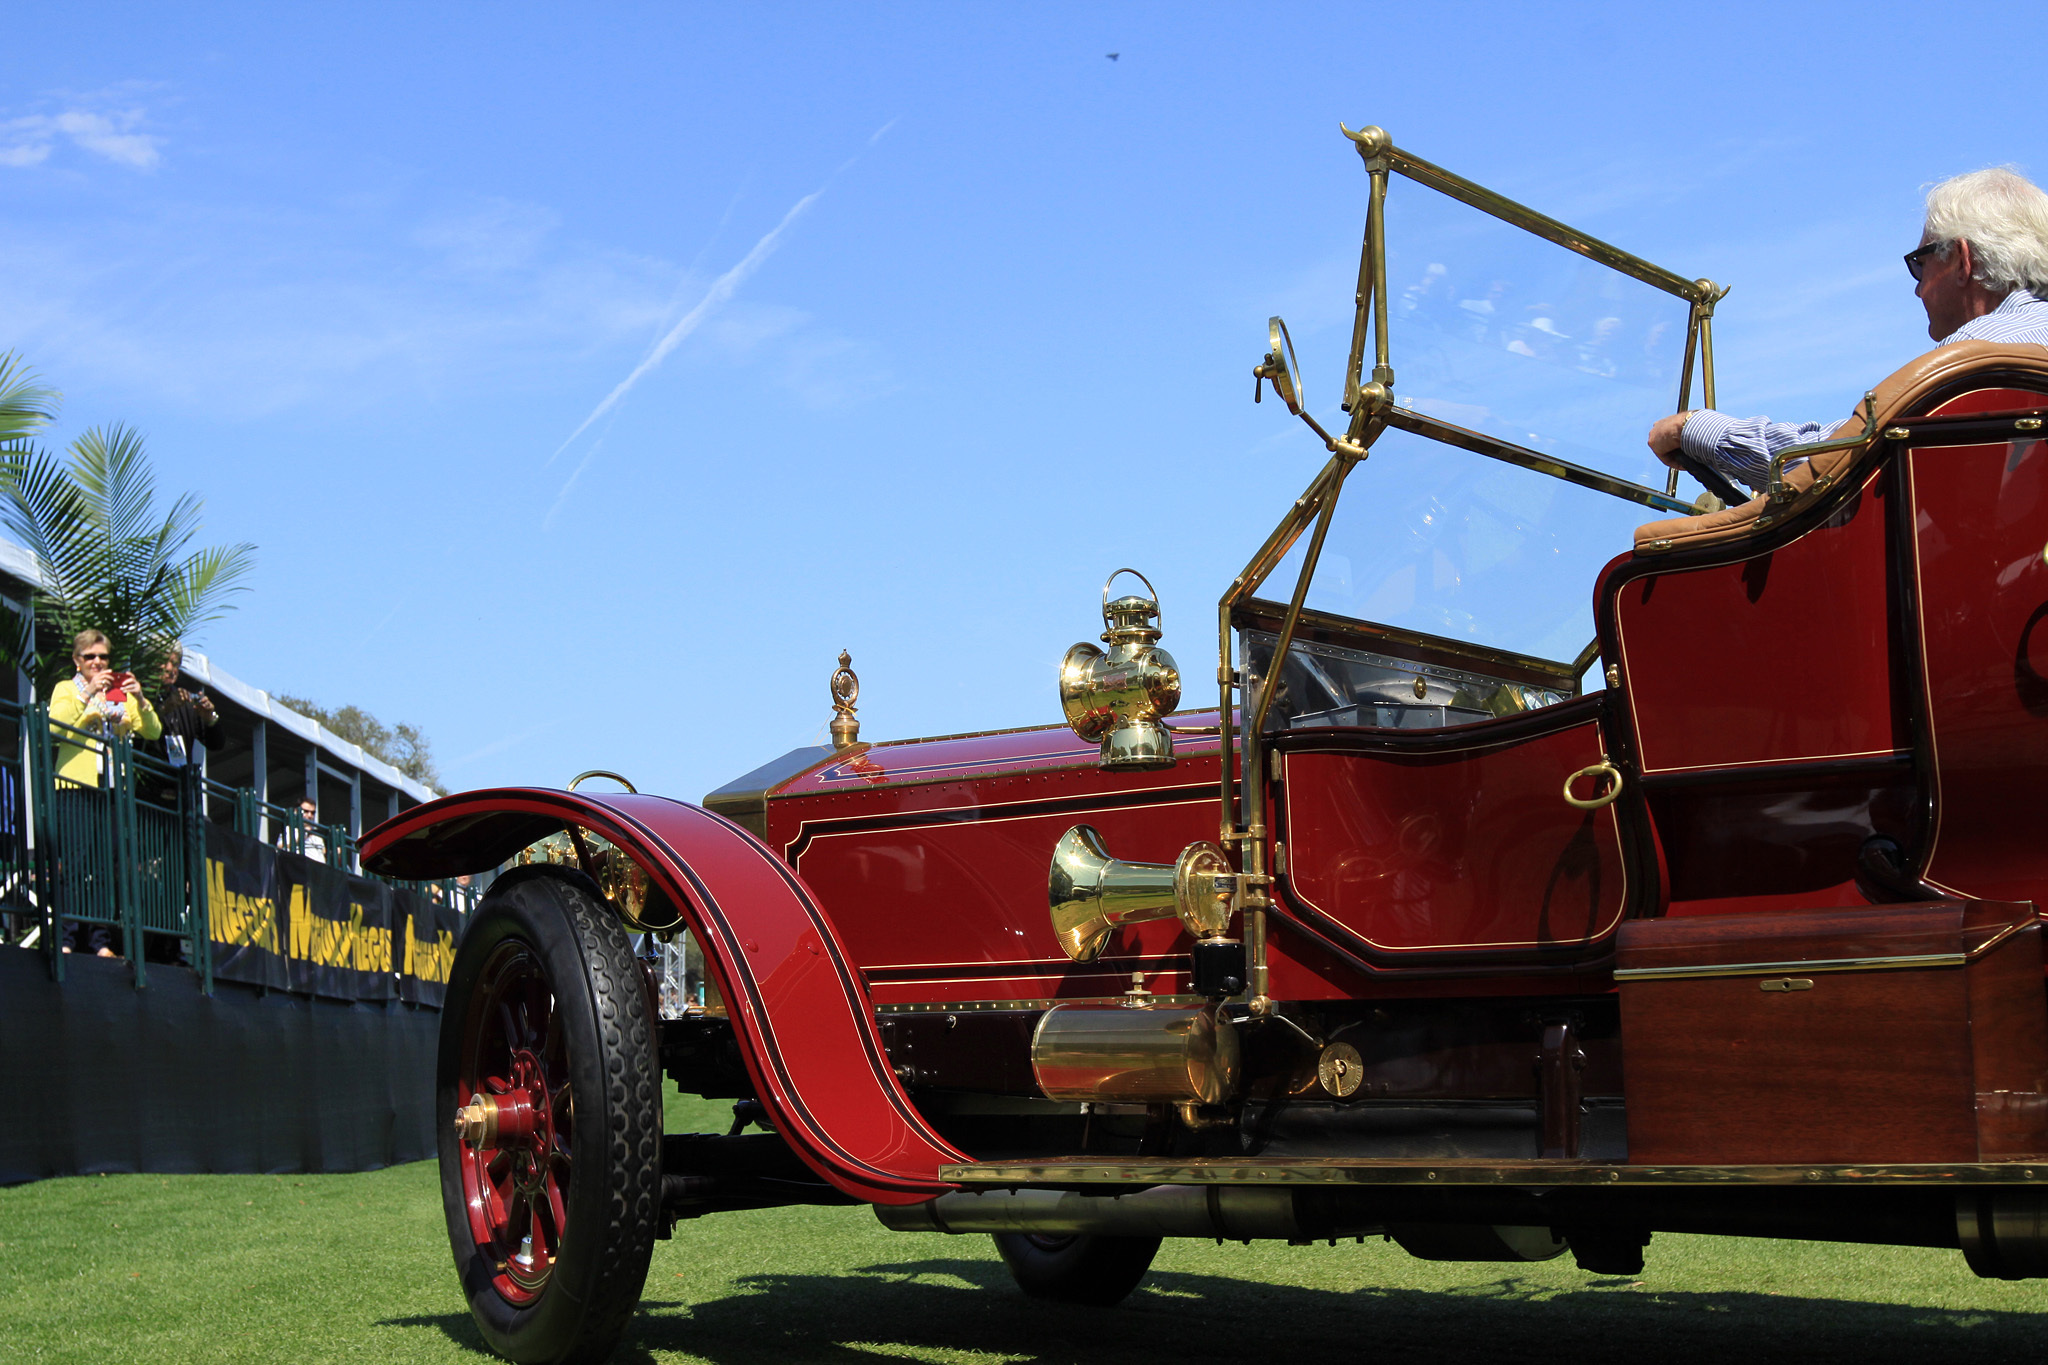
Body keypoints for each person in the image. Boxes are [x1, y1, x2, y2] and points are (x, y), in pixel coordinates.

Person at [1648, 167, 2048, 491]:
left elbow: (1839, 458)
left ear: (1962, 260)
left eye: (1920, 265)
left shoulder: (1977, 358)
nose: (1917, 289)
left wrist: (1696, 429)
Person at [49, 628, 162, 956]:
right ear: (77, 660)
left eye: (103, 657)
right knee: (74, 864)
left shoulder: (120, 693)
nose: (97, 663)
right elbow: (55, 727)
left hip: (111, 789)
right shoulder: (66, 689)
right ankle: (67, 940)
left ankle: (99, 942)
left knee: (103, 866)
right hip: (75, 787)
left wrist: (139, 697)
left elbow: (152, 729)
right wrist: (87, 699)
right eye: (90, 657)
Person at [279, 796, 327, 865]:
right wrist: (303, 834)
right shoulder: (290, 829)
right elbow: (280, 847)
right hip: (301, 869)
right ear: (296, 811)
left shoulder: (316, 834)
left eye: (312, 812)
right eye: (306, 811)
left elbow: (323, 853)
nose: (310, 815)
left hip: (319, 872)